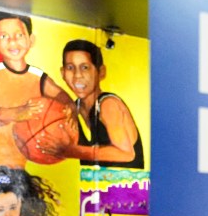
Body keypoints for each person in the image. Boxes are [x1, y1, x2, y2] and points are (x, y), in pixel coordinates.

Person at [37, 39, 144, 168]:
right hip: (93, 187)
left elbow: (126, 154)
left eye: (85, 67)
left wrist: (69, 151)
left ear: (101, 72)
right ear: (63, 73)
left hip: (126, 187)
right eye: (70, 68)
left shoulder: (108, 104)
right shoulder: (73, 109)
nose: (77, 75)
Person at [0, 10, 72, 128]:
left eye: (19, 35)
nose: (13, 41)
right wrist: (18, 112)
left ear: (31, 40)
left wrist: (71, 108)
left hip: (31, 141)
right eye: (4, 36)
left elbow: (61, 95)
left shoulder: (38, 76)